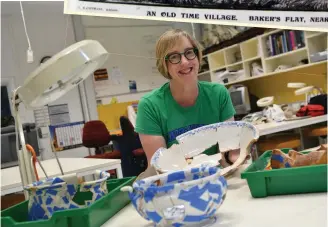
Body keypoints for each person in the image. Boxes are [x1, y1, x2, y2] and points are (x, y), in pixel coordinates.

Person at [135, 29, 241, 168]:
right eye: (174, 57)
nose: (184, 62)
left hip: (218, 177)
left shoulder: (219, 94)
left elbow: (230, 153)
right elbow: (159, 167)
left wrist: (238, 158)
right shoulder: (150, 105)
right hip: (176, 183)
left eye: (189, 53)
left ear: (197, 56)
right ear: (164, 65)